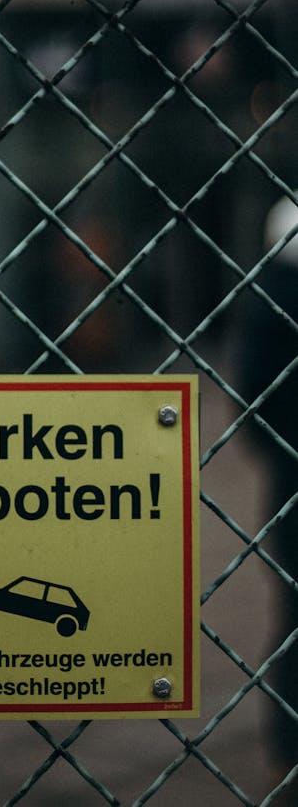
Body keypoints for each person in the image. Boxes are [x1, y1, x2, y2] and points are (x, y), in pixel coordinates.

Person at [242, 192, 297, 769]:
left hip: (293, 473)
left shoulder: (271, 299)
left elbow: (251, 390)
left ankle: (289, 746)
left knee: (293, 610)